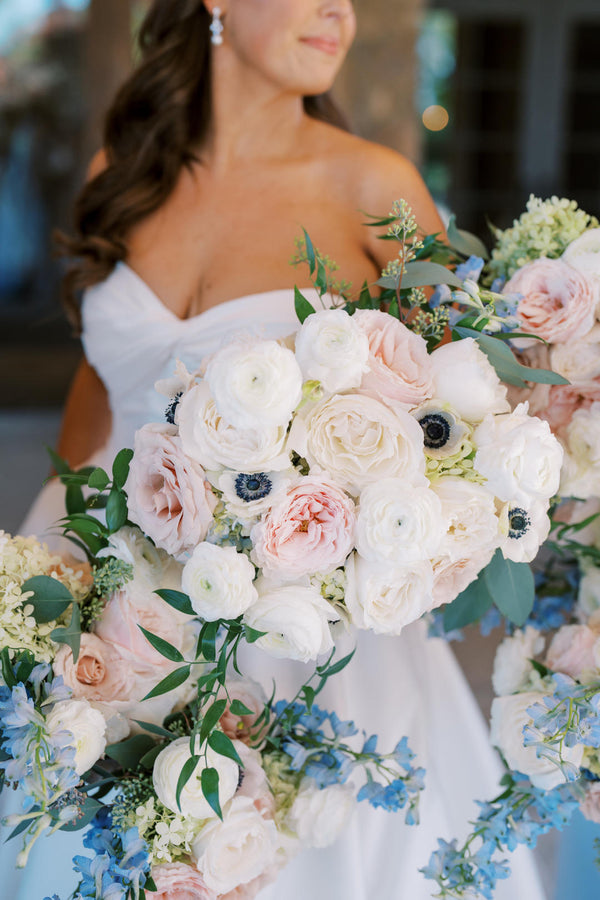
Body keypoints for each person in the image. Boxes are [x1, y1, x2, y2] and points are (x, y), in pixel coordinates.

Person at [4, 2, 548, 897]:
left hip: (300, 636)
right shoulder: (124, 174)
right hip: (108, 616)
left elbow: (476, 418)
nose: (340, 10)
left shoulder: (374, 188)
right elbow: (101, 385)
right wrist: (40, 578)